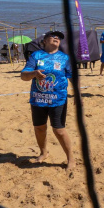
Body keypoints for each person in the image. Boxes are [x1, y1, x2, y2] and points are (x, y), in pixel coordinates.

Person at [21, 30, 74, 169]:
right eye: (53, 36)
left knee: (59, 130)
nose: (56, 38)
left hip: (58, 99)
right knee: (39, 128)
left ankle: (71, 159)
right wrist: (33, 73)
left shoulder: (64, 58)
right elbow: (23, 76)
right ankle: (44, 152)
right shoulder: (36, 56)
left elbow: (73, 76)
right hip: (38, 99)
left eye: (59, 37)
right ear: (44, 41)